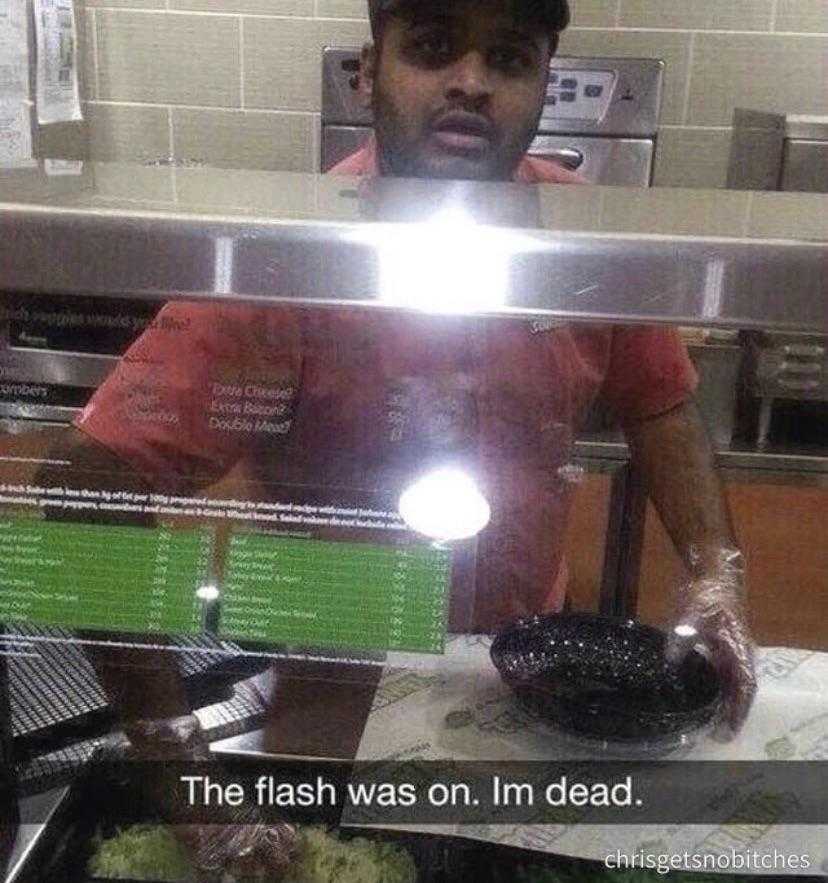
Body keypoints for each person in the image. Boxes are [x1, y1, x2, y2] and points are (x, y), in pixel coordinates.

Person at [23, 0, 756, 876]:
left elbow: (662, 405)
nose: (472, 83)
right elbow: (88, 482)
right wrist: (183, 771)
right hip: (336, 702)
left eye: (510, 58)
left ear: (542, 86)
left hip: (526, 682)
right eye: (436, 47)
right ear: (372, 69)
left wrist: (716, 570)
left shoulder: (578, 238)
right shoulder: (297, 264)